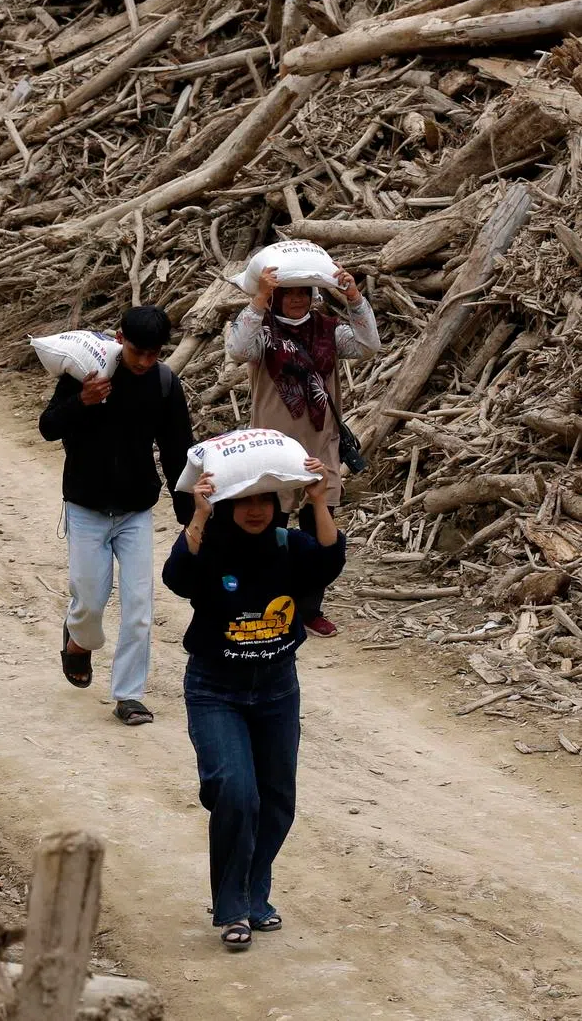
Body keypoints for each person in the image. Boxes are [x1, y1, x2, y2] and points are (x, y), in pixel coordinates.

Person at [162, 462, 345, 952]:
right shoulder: (212, 543)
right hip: (214, 688)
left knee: (276, 799)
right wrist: (197, 516)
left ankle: (252, 894)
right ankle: (233, 909)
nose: (256, 510)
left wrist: (319, 500)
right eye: (244, 501)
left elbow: (329, 560)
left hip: (277, 691)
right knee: (236, 791)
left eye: (265, 500)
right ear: (227, 504)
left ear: (279, 504)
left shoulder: (290, 546)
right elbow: (177, 577)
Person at [40, 306, 195, 727]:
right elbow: (49, 427)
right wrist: (82, 401)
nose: (144, 362)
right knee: (89, 599)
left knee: (140, 606)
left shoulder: (164, 384)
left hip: (135, 511)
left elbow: (179, 450)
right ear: (119, 337)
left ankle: (129, 695)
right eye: (136, 352)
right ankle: (78, 639)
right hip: (86, 507)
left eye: (153, 354)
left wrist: (189, 518)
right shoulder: (84, 373)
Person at [225, 264, 379, 636]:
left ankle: (309, 608)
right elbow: (237, 350)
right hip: (270, 448)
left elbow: (369, 345)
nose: (296, 299)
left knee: (317, 533)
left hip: (319, 446)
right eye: (289, 292)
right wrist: (259, 298)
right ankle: (265, 604)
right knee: (268, 528)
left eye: (304, 293)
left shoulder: (328, 331)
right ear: (277, 296)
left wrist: (354, 298)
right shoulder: (261, 331)